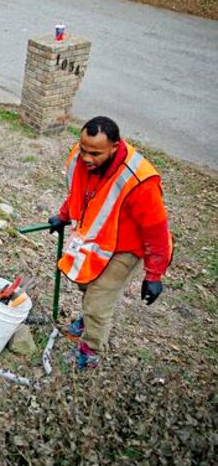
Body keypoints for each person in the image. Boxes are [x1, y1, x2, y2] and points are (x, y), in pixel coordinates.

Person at [48, 116, 172, 369]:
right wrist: (62, 215)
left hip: (126, 248)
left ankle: (90, 350)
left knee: (98, 300)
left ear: (115, 147)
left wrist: (154, 275)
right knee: (85, 282)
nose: (86, 158)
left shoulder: (139, 180)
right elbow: (78, 191)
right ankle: (89, 317)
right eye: (83, 149)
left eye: (95, 153)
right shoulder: (80, 157)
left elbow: (156, 230)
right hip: (95, 238)